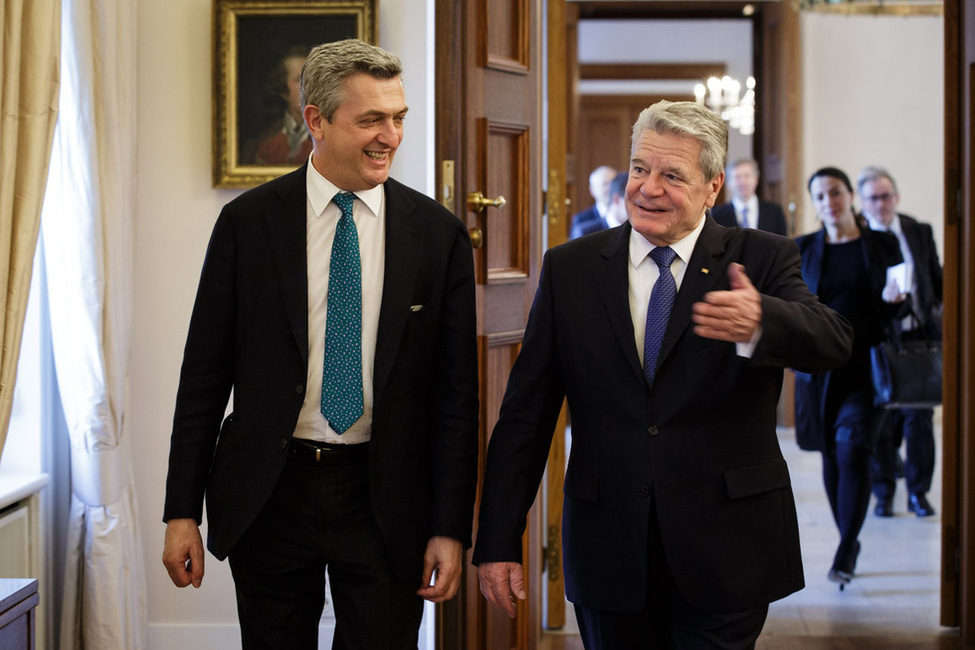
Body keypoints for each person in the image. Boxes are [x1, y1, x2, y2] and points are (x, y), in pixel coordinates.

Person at [473, 100, 853, 648]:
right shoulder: (570, 268)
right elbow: (525, 419)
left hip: (728, 546)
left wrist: (763, 319)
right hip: (609, 549)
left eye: (672, 175)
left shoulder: (761, 258)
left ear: (712, 187)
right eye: (639, 168)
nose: (648, 188)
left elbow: (834, 340)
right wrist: (500, 540)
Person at [161, 39, 479, 649]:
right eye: (371, 120)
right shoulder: (248, 225)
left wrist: (449, 527)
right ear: (316, 121)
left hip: (384, 496)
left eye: (398, 117)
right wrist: (181, 510)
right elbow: (202, 376)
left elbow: (455, 398)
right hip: (269, 492)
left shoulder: (437, 236)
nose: (391, 135)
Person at [794, 166, 907, 589]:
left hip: (868, 368)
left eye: (836, 192)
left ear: (849, 196)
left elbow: (896, 306)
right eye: (820, 196)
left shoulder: (881, 244)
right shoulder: (803, 248)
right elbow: (791, 306)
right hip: (821, 371)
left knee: (852, 448)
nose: (829, 202)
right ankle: (848, 540)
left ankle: (846, 545)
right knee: (829, 454)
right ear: (815, 203)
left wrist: (896, 300)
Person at [858, 166, 943, 518]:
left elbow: (935, 279)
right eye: (874, 198)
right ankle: (884, 493)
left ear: (897, 197)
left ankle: (919, 493)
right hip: (880, 340)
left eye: (886, 196)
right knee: (883, 421)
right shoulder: (858, 239)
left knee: (919, 417)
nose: (882, 204)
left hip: (918, 336)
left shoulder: (917, 230)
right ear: (862, 203)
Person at [241, 45, 314, 166]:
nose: (308, 86)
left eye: (312, 78)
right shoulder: (261, 141)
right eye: (299, 79)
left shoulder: (332, 137)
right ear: (283, 88)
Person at [711, 158, 788, 236]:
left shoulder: (774, 211)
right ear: (728, 182)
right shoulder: (717, 214)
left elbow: (783, 244)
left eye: (747, 176)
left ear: (756, 179)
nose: (743, 182)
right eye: (737, 177)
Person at [569, 165, 616, 238]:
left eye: (613, 184)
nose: (609, 188)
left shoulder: (626, 216)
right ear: (592, 190)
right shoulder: (582, 220)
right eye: (604, 184)